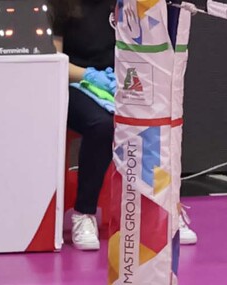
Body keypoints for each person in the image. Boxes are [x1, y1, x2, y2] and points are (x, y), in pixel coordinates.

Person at [48, 0, 196, 251]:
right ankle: (84, 214)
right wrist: (90, 76)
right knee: (102, 126)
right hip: (75, 84)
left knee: (160, 121)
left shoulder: (129, 4)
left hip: (125, 82)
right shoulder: (59, 6)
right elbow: (56, 60)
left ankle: (165, 211)